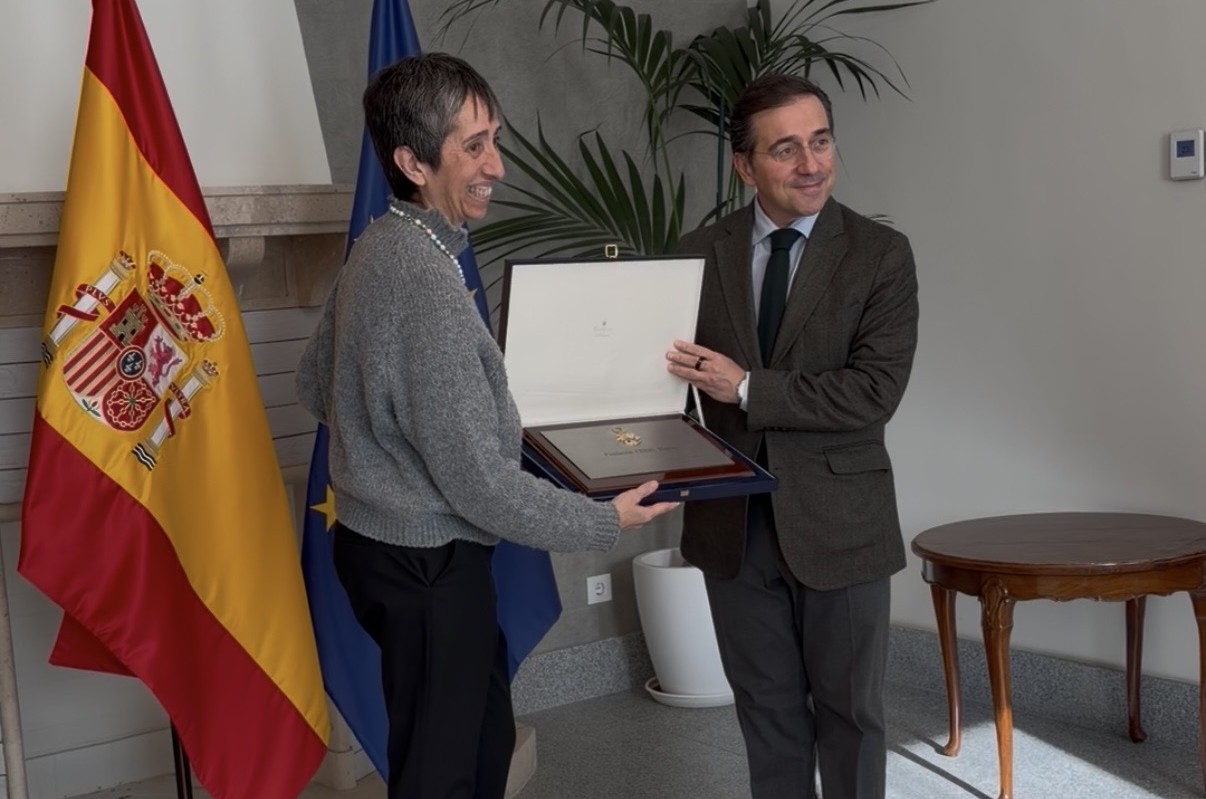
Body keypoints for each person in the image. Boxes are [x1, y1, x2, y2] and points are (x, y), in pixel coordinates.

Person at [296, 53, 678, 799]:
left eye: (493, 139)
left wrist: (392, 440)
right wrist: (605, 520)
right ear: (412, 160)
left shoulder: (380, 246)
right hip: (425, 566)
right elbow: (478, 483)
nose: (495, 165)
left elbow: (315, 382)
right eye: (473, 146)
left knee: (477, 743)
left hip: (384, 550)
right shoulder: (423, 276)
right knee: (447, 775)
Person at [665, 74, 919, 799]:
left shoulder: (879, 255)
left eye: (821, 140)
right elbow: (666, 389)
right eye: (786, 149)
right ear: (744, 165)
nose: (812, 163)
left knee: (852, 717)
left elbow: (875, 392)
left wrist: (746, 387)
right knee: (767, 716)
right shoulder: (693, 252)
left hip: (842, 527)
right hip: (731, 528)